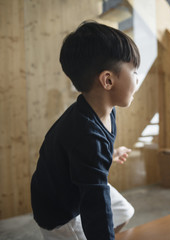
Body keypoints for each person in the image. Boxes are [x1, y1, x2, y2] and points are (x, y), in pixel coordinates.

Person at [30, 20, 140, 239]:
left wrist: (111, 153)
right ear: (108, 80)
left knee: (124, 211)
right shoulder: (85, 135)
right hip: (59, 208)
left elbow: (91, 152)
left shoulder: (105, 110)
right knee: (97, 222)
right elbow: (95, 208)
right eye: (134, 71)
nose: (137, 78)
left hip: (77, 181)